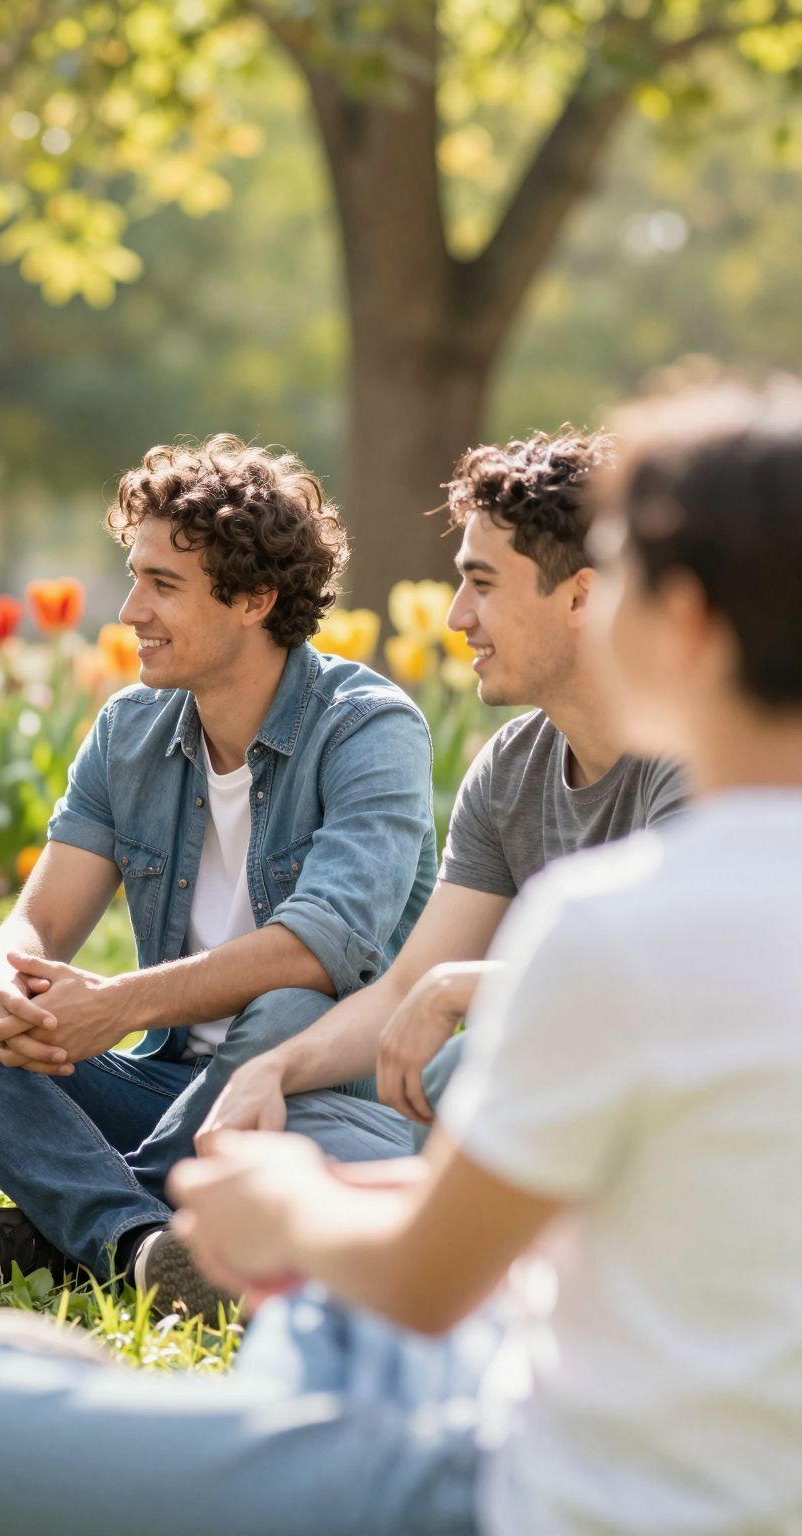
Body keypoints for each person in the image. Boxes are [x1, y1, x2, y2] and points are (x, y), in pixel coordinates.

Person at [0, 374, 802, 1536]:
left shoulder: (614, 920)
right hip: (554, 1378)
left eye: (619, 578)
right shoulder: (607, 873)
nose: (458, 616)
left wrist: (289, 1209)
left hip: (523, 1489)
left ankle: (133, 1363)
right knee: (321, 1318)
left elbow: (422, 1276)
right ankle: (151, 1295)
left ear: (681, 621)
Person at [0, 434, 429, 1318]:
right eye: (134, 577)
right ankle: (145, 1246)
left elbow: (321, 948)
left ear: (255, 598)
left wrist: (119, 1005)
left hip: (310, 1099)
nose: (129, 610)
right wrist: (7, 986)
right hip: (171, 1091)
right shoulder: (130, 730)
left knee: (291, 1005)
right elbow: (38, 919)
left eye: (163, 585)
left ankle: (79, 1233)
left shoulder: (368, 728)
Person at [206, 430, 688, 1146]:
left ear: (581, 597)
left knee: (467, 1071)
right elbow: (406, 987)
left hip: (667, 1129)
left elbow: (672, 978)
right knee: (289, 1111)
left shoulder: (693, 756)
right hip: (533, 1124)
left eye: (482, 584)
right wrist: (272, 1070)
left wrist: (462, 988)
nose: (458, 615)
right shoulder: (510, 769)